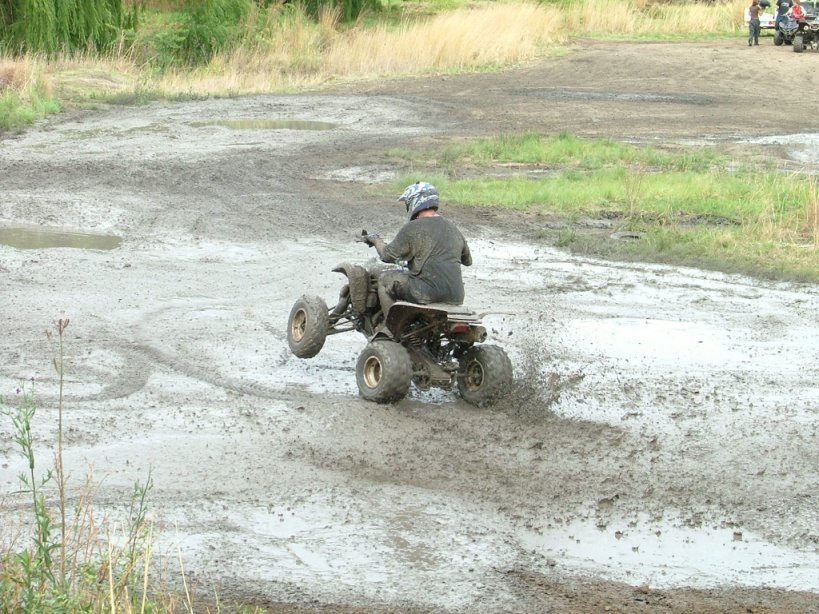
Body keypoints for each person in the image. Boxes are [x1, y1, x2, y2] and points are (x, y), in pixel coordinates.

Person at [359, 182, 472, 315]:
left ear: (414, 202)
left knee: (384, 279)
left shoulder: (413, 228)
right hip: (456, 296)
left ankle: (389, 330)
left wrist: (376, 240)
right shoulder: (453, 228)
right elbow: (467, 261)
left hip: (426, 292)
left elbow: (387, 255)